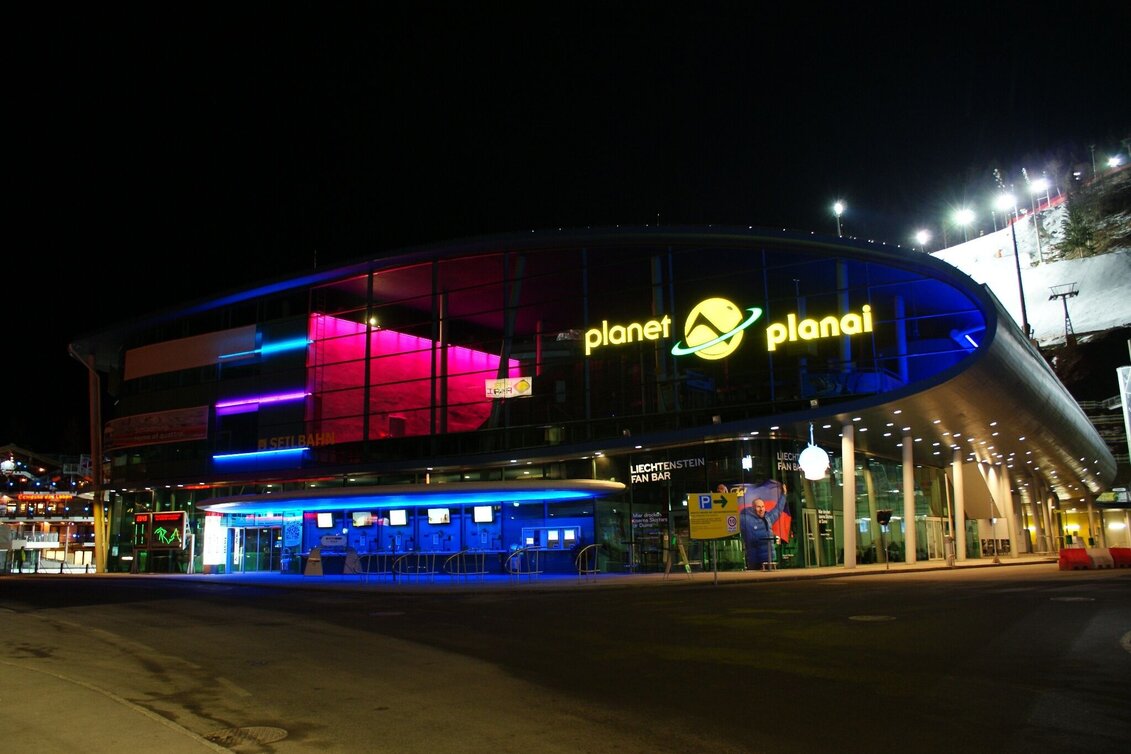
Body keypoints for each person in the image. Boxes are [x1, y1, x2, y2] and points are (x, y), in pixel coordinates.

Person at [740, 497, 779, 569]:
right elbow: (730, 516)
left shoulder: (768, 518)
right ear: (753, 508)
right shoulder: (745, 519)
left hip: (770, 559)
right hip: (755, 562)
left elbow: (778, 509)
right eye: (758, 507)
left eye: (762, 507)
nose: (761, 509)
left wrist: (784, 495)